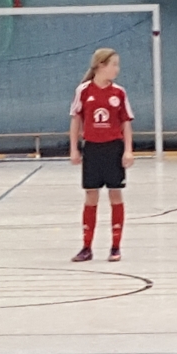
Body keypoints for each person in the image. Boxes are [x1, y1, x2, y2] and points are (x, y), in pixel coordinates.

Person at [69, 48, 134, 263]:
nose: (117, 69)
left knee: (115, 194)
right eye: (113, 64)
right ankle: (86, 247)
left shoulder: (119, 93)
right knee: (91, 196)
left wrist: (128, 150)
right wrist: (74, 148)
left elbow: (126, 122)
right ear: (100, 66)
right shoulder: (83, 91)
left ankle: (115, 247)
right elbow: (76, 120)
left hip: (113, 149)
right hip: (92, 149)